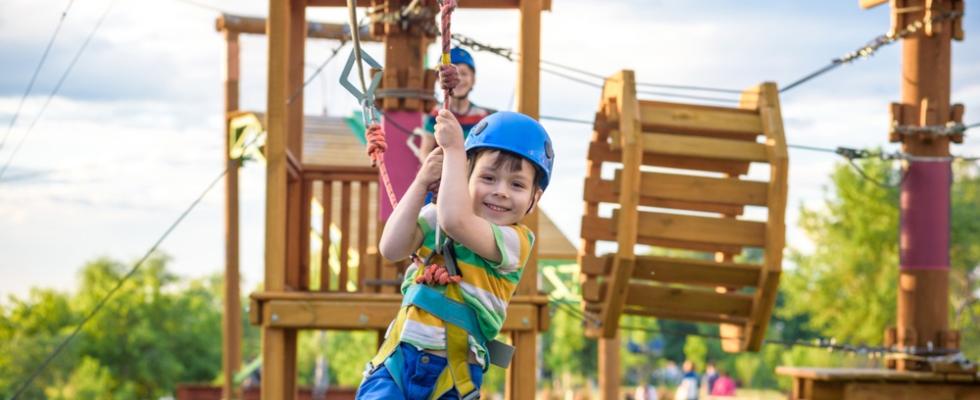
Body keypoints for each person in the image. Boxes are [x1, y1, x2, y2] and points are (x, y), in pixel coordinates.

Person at [355, 110, 555, 399]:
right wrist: (422, 182)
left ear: (534, 199)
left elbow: (457, 221)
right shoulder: (437, 218)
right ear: (466, 178)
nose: (500, 192)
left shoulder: (515, 241)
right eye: (488, 177)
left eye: (517, 184)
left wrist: (454, 150)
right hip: (397, 363)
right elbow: (391, 248)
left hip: (453, 375)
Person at [418, 47, 494, 160]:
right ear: (441, 80)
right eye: (453, 75)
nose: (458, 79)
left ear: (473, 80)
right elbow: (425, 153)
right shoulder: (437, 114)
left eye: (464, 74)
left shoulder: (482, 117)